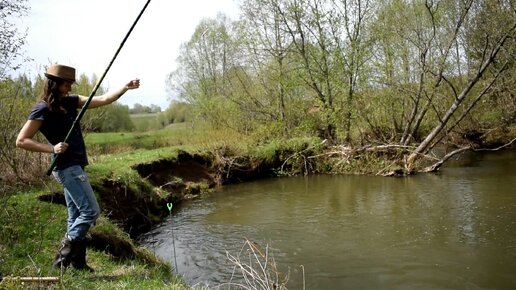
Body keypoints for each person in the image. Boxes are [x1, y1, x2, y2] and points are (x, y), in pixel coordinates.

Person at [16, 64, 140, 272]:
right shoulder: (42, 108)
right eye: (66, 84)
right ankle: (62, 257)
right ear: (54, 84)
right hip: (66, 168)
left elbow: (102, 99)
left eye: (71, 84)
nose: (70, 88)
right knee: (91, 211)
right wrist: (51, 148)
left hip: (75, 166)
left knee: (75, 216)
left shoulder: (70, 102)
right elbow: (21, 140)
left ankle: (78, 264)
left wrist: (124, 88)